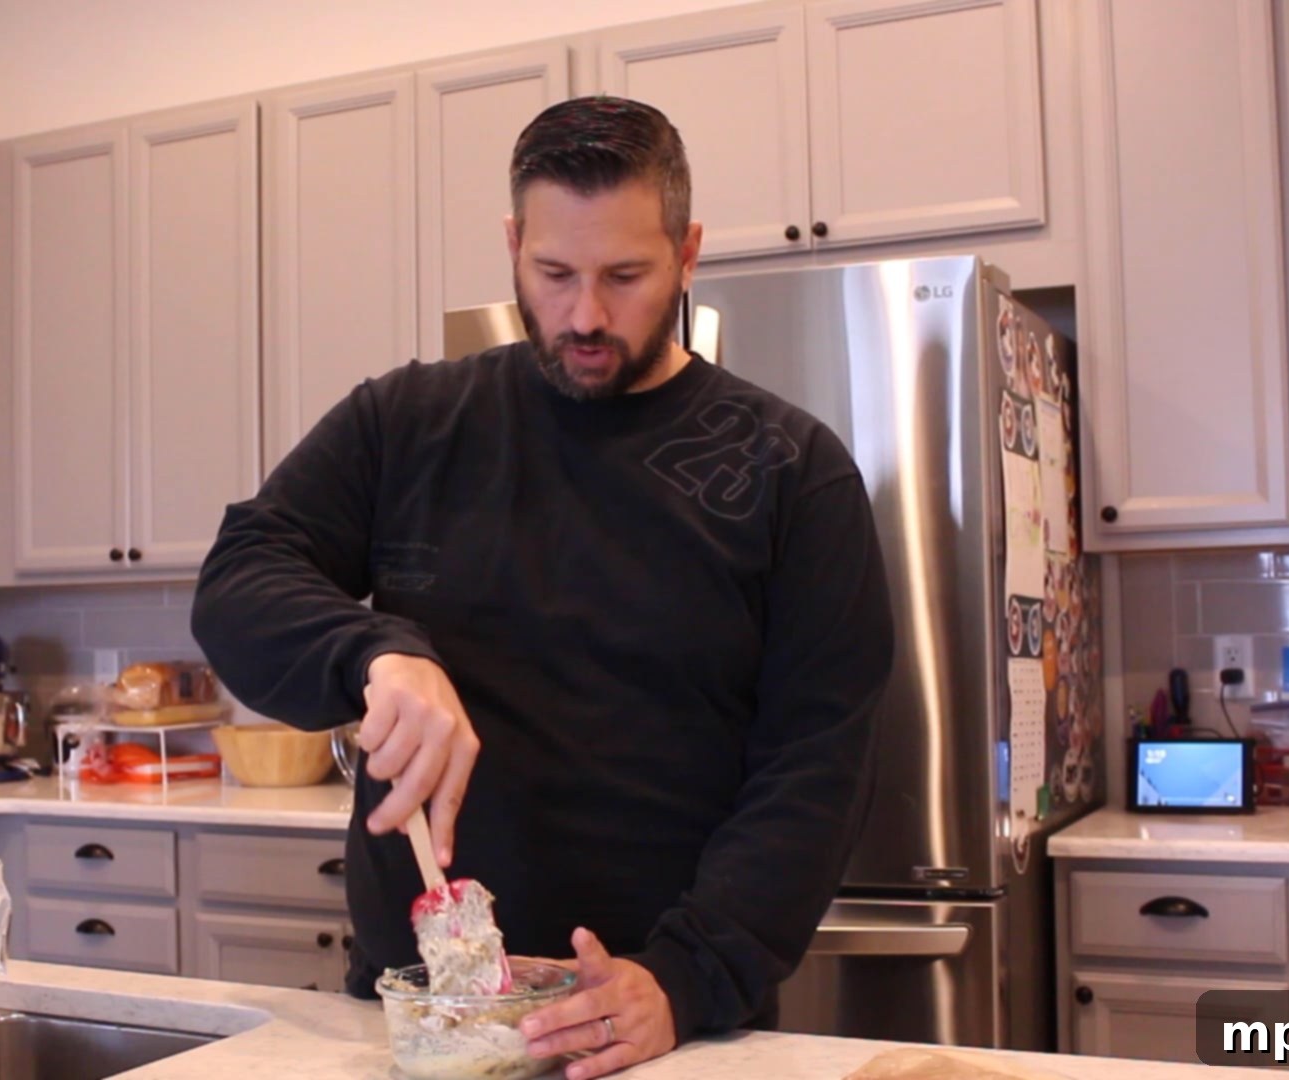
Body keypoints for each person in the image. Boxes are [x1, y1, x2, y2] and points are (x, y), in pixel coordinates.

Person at [192, 95, 894, 1079]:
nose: (586, 316)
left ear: (688, 253)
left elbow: (819, 764)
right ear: (514, 244)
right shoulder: (410, 424)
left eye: (627, 275)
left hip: (658, 1030)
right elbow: (239, 579)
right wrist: (376, 652)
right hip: (425, 1024)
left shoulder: (789, 471)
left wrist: (686, 975)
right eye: (554, 274)